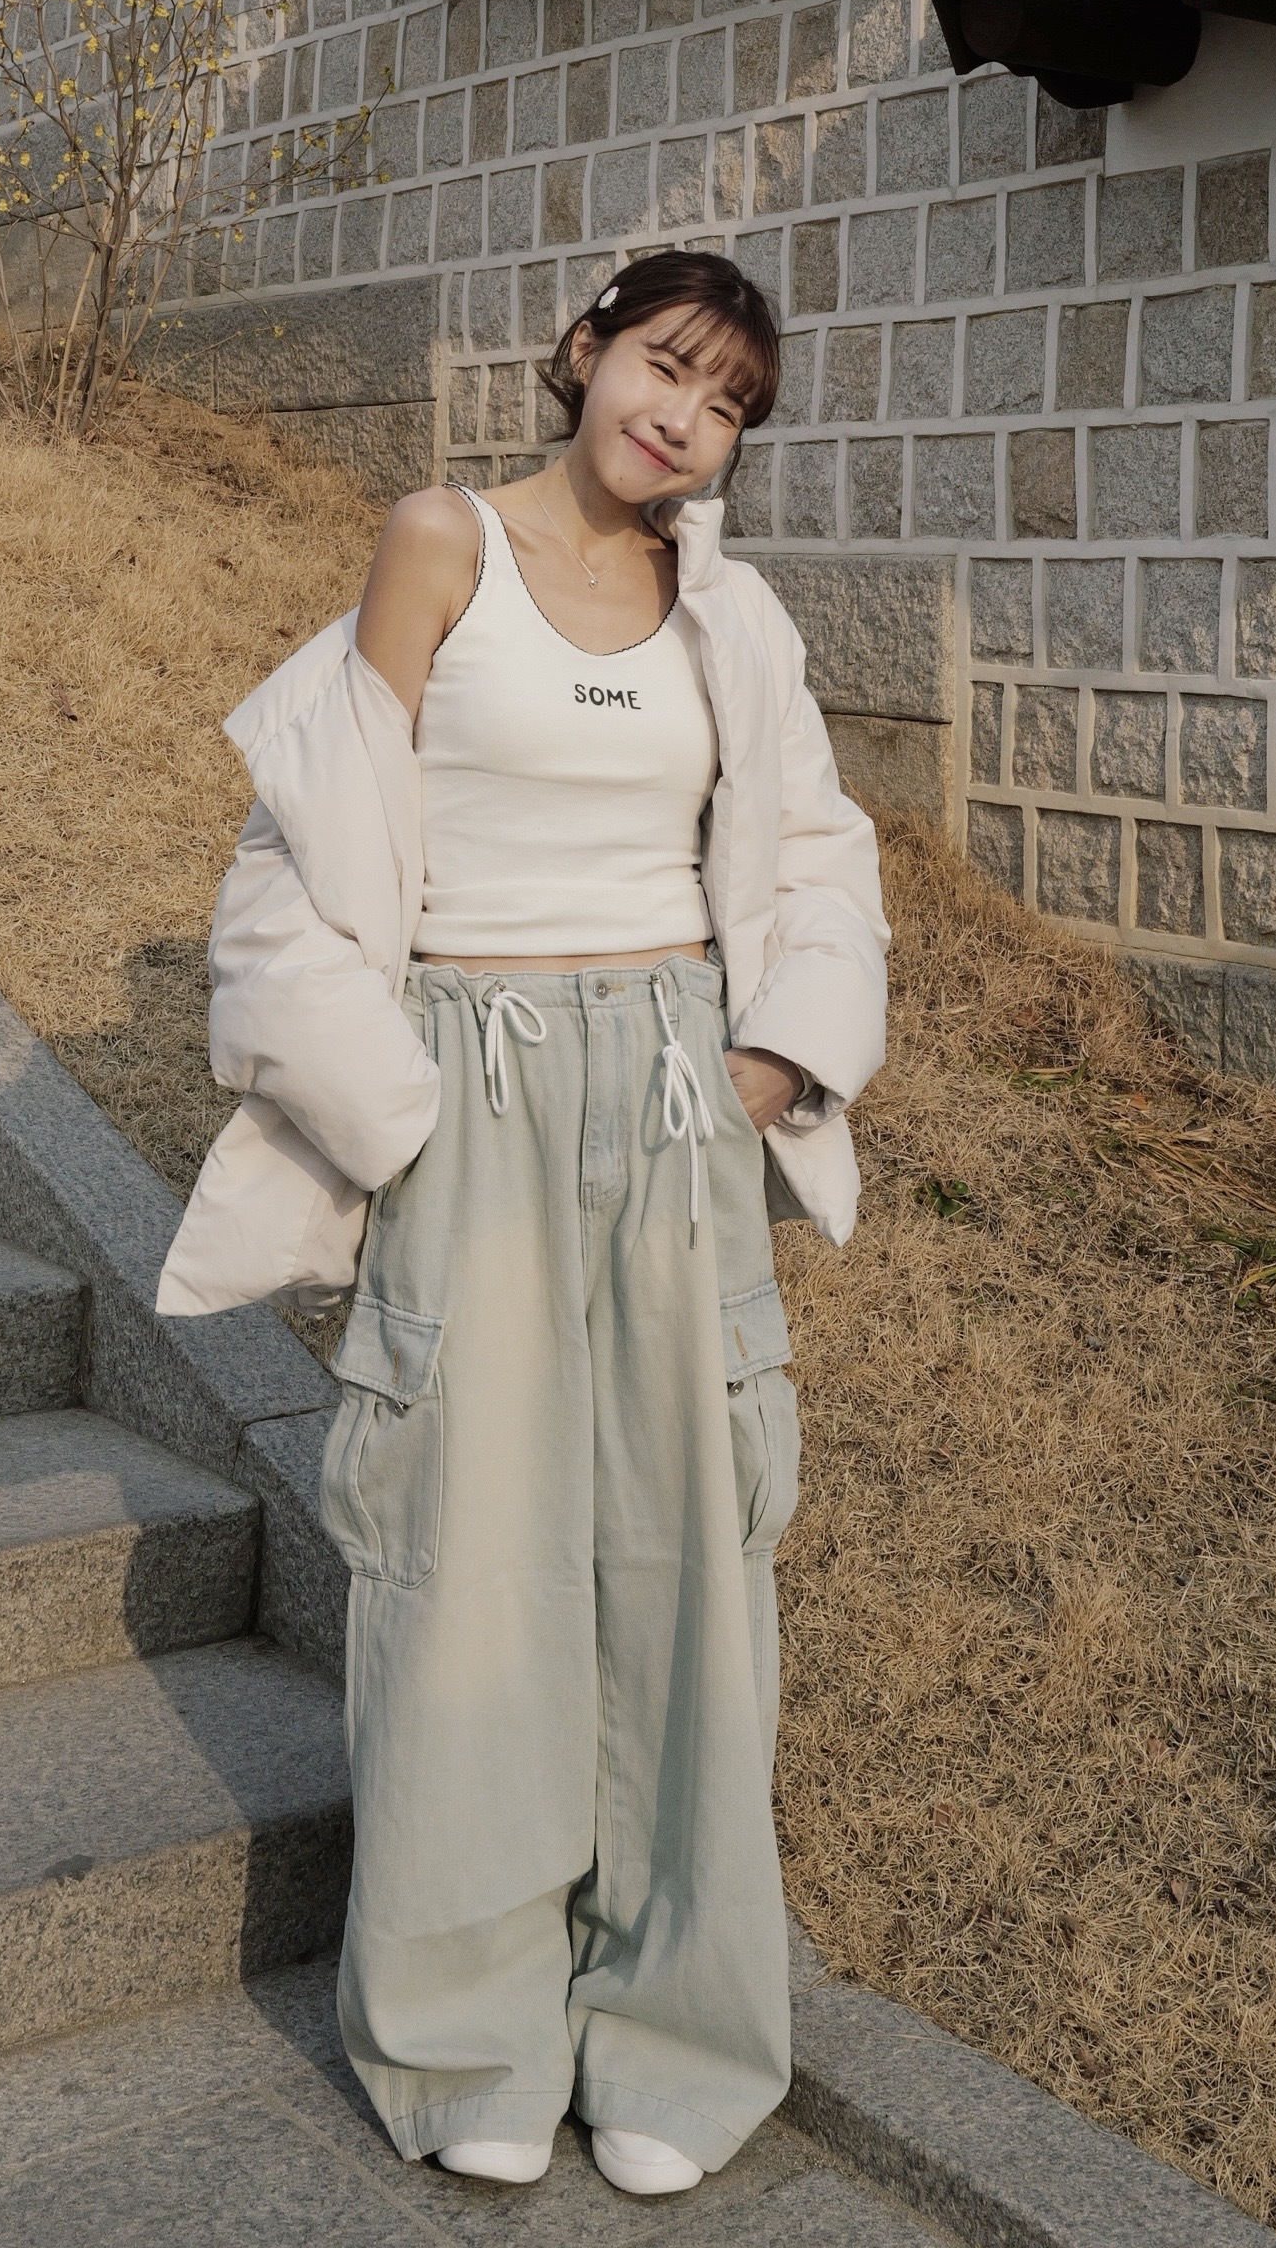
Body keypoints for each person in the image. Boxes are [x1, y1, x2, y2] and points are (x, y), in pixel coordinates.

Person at [157, 251, 889, 2197]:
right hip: (470, 1086)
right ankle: (467, 2029)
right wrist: (392, 1105)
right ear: (584, 351)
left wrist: (770, 1059)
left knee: (685, 1559)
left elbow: (820, 849)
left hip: (672, 1089)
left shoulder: (728, 610)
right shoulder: (440, 542)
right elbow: (307, 841)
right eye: (665, 364)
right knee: (464, 1563)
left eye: (727, 402)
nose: (685, 417)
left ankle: (672, 2032)